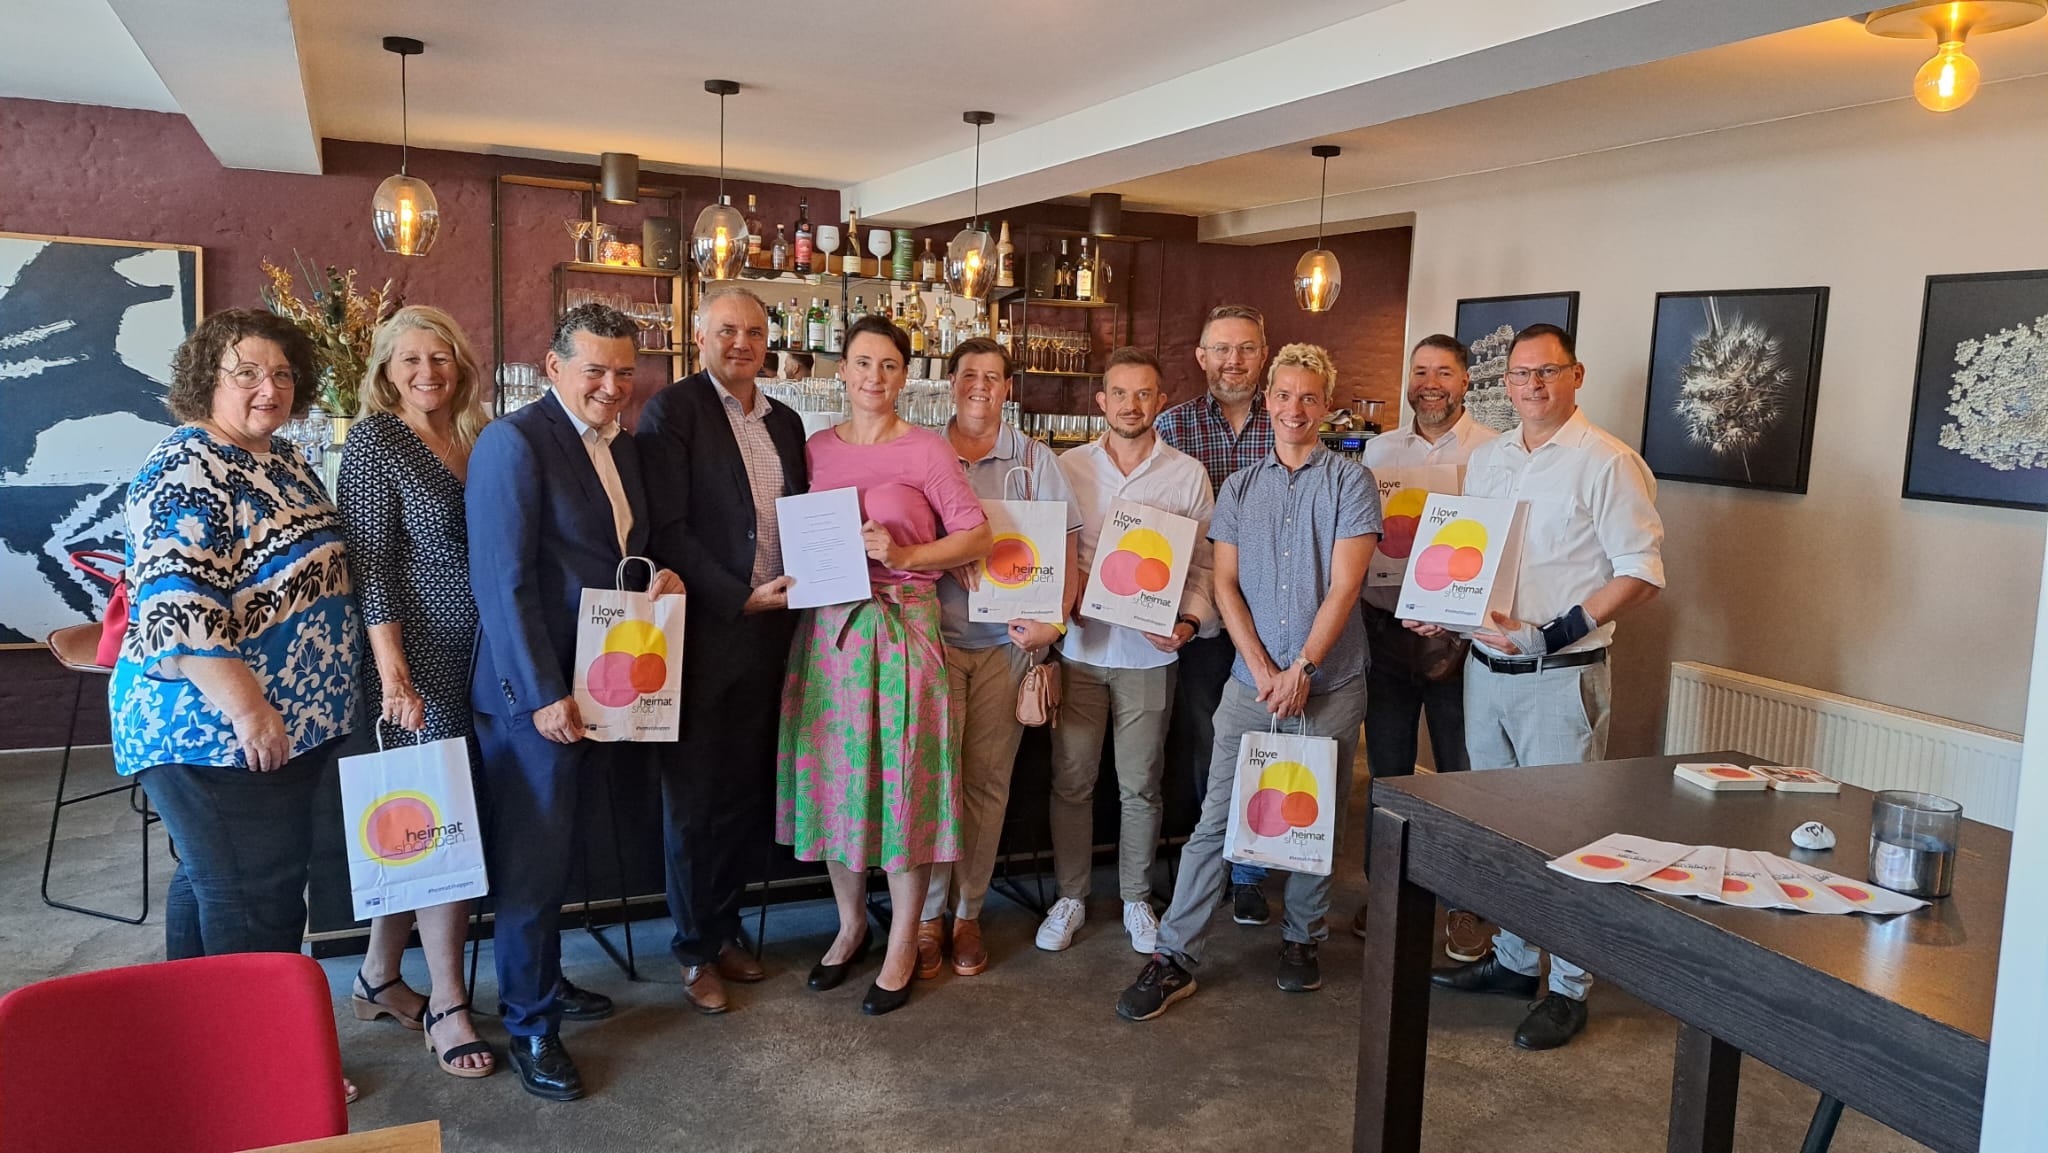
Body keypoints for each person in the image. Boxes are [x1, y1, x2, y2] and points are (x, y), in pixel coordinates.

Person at [108, 307, 360, 1096]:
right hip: (220, 733)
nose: (268, 387)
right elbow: (180, 608)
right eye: (246, 372)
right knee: (259, 896)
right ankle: (267, 1071)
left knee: (212, 881)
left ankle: (194, 1049)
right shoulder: (187, 465)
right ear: (207, 380)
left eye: (282, 373)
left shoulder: (280, 458)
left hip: (280, 726)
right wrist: (251, 709)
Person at [1418, 323, 1664, 1051]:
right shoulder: (1490, 458)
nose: (1531, 387)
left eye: (1546, 373)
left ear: (1576, 375)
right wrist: (1448, 613)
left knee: (1568, 837)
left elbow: (1642, 574)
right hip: (1485, 674)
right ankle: (1517, 960)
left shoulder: (1608, 462)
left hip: (1560, 677)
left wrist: (1553, 632)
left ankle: (1568, 987)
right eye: (1520, 376)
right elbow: (1475, 553)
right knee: (1500, 831)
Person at [1116, 344, 1379, 1021]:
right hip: (1249, 681)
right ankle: (1175, 954)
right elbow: (1225, 584)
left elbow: (1346, 586)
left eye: (1309, 397)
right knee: (1217, 819)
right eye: (1284, 395)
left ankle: (1303, 939)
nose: (1295, 408)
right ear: (1268, 402)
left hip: (1331, 680)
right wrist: (1264, 667)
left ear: (1325, 405)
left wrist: (1304, 670)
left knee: (1315, 819)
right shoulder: (1238, 487)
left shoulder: (1351, 482)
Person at [468, 304, 685, 1100]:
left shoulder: (619, 447)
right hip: (538, 697)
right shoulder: (513, 441)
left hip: (606, 684)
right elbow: (503, 580)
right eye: (594, 369)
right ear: (553, 366)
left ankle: (547, 986)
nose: (612, 386)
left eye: (624, 372)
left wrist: (656, 576)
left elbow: (619, 551)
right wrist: (541, 694)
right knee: (531, 868)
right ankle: (529, 1024)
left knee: (564, 852)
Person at [776, 314, 992, 1016]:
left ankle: (902, 939)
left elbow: (975, 534)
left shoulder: (927, 450)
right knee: (838, 782)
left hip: (904, 630)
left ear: (905, 375)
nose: (874, 376)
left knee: (904, 784)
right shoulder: (815, 450)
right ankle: (850, 924)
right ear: (843, 369)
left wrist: (903, 556)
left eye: (889, 365)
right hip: (832, 633)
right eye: (863, 363)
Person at [333, 305, 497, 1079]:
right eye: (411, 360)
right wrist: (393, 670)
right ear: (385, 371)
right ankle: (450, 1001)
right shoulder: (375, 441)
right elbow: (370, 564)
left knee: (418, 821)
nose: (428, 371)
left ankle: (375, 977)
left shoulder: (473, 436)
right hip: (416, 663)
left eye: (442, 357)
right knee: (436, 829)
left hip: (479, 657)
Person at [637, 289, 807, 1015]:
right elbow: (667, 529)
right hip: (707, 632)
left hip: (774, 632)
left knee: (743, 793)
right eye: (727, 329)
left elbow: (802, 517)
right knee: (693, 801)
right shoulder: (673, 411)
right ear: (699, 335)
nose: (741, 341)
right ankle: (692, 947)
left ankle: (727, 925)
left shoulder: (788, 421)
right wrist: (738, 596)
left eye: (755, 330)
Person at [1040, 347, 1217, 956]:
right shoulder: (1068, 467)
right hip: (1082, 647)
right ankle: (1071, 897)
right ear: (1101, 401)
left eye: (1144, 394)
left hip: (1150, 657)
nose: (1131, 405)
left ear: (1160, 402)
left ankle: (1137, 899)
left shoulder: (1188, 474)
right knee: (1071, 780)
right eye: (1120, 393)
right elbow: (1053, 551)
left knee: (1140, 786)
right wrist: (1063, 601)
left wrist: (1188, 622)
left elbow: (1203, 565)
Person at [916, 337, 1082, 979]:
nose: (980, 386)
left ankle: (968, 914)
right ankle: (926, 915)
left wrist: (1053, 623)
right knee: (934, 783)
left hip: (1005, 653)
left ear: (1008, 387)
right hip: (931, 643)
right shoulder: (923, 452)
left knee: (988, 784)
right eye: (968, 375)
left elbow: (1066, 553)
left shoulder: (1036, 461)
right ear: (949, 383)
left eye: (992, 376)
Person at [1353, 334, 1498, 957]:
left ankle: (1470, 905)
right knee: (1387, 768)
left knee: (1461, 772)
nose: (1430, 383)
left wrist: (1453, 616)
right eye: (1419, 372)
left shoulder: (1495, 453)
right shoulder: (1380, 450)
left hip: (1459, 640)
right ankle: (1385, 889)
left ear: (1466, 381)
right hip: (1385, 632)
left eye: (1443, 371)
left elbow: (1504, 546)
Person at [1154, 305, 1278, 926]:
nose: (1234, 361)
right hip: (1202, 615)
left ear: (1264, 354)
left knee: (1267, 741)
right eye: (1221, 350)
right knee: (1209, 743)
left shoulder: (1287, 421)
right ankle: (1216, 862)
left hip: (1276, 614)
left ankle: (1254, 869)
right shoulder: (1170, 427)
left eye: (1246, 349)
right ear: (1200, 357)